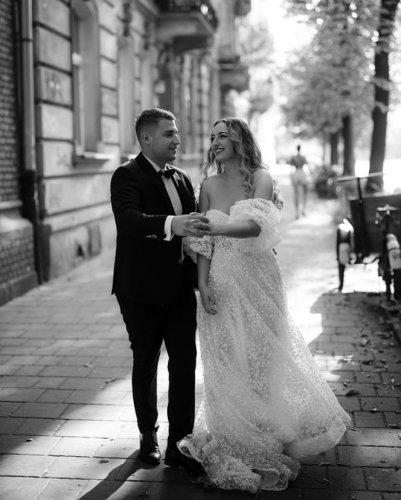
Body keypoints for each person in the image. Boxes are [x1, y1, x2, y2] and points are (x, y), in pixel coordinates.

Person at [177, 118, 351, 493]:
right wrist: (202, 284)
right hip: (221, 282)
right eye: (212, 136)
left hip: (259, 280)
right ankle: (232, 435)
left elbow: (256, 226)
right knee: (225, 361)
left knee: (263, 357)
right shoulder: (207, 185)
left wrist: (216, 226)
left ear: (240, 140)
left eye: (223, 135)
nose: (215, 141)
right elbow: (202, 243)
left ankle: (264, 431)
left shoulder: (260, 178)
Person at [110, 108, 209, 475]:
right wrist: (172, 224)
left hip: (180, 288)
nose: (177, 140)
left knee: (184, 363)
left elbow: (196, 228)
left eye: (176, 133)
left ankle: (179, 444)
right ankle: (147, 435)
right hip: (140, 290)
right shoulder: (126, 175)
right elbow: (129, 221)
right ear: (146, 138)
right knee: (146, 361)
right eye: (169, 134)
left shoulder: (182, 178)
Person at [289, 144, 309, 218]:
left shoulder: (293, 158)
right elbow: (307, 167)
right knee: (305, 193)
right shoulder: (303, 157)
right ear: (300, 148)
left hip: (296, 173)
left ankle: (297, 213)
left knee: (296, 194)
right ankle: (304, 210)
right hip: (302, 173)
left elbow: (291, 169)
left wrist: (291, 177)